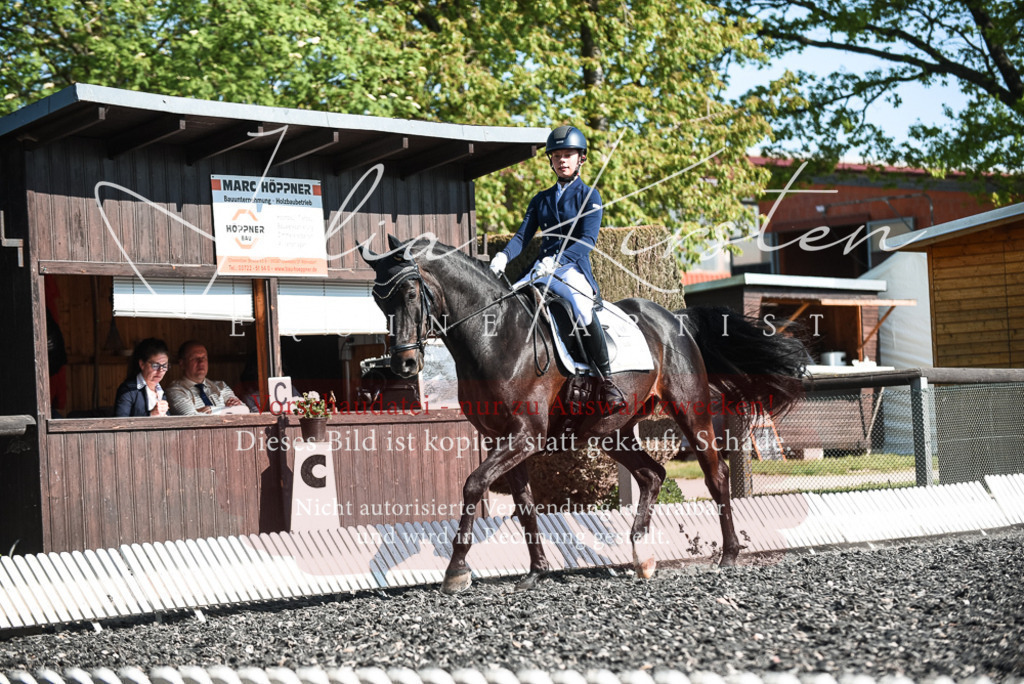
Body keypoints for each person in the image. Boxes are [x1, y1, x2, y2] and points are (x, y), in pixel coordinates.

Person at [489, 124, 626, 410]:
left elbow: (587, 242)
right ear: (550, 160)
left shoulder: (590, 196)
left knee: (582, 308)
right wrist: (503, 256)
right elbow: (522, 236)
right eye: (557, 155)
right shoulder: (541, 199)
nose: (562, 160)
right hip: (542, 269)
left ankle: (606, 380)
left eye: (568, 154)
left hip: (570, 269)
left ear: (581, 159)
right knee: (509, 302)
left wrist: (557, 261)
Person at [167, 340, 249, 415]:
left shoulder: (221, 386)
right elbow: (191, 418)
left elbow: (244, 410)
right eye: (195, 358)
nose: (201, 362)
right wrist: (227, 410)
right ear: (182, 364)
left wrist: (210, 410)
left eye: (204, 358)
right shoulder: (176, 390)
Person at [114, 338, 170, 417]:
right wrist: (151, 415)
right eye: (155, 365)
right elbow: (119, 423)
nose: (160, 371)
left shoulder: (160, 391)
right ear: (142, 364)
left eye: (164, 366)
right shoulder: (128, 390)